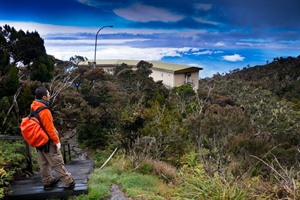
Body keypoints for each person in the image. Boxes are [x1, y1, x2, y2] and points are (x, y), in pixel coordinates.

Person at [31, 87, 75, 190]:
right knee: (57, 161)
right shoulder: (44, 110)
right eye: (48, 94)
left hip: (38, 140)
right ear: (44, 97)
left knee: (43, 162)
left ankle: (47, 181)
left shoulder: (33, 107)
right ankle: (68, 181)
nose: (50, 95)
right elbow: (49, 128)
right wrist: (57, 141)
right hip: (47, 141)